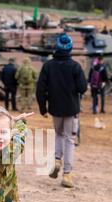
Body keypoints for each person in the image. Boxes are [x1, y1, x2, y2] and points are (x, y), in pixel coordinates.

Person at [36, 33, 87, 188]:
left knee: (58, 134)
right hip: (71, 108)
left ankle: (57, 160)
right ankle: (67, 174)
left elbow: (40, 89)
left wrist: (43, 108)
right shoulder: (75, 66)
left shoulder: (48, 66)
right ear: (70, 48)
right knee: (70, 139)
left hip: (55, 108)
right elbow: (82, 88)